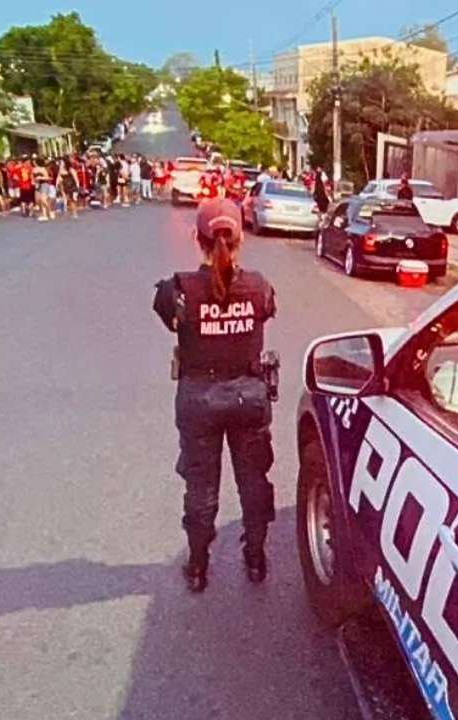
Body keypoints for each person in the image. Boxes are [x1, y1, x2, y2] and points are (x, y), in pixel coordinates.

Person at [151, 198, 278, 594]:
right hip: (248, 398)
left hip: (199, 400)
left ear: (197, 238)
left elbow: (171, 320)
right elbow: (265, 310)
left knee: (201, 489)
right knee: (254, 483)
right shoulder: (260, 287)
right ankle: (256, 560)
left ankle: (198, 567)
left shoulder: (177, 291)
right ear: (240, 238)